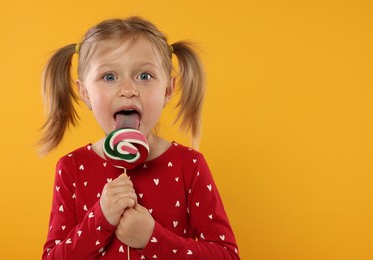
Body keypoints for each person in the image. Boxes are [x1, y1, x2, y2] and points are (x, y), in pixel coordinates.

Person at [40, 16, 240, 259]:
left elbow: (227, 255)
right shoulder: (71, 168)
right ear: (85, 92)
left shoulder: (189, 165)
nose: (128, 90)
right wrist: (100, 218)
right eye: (109, 77)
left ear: (167, 90)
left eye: (144, 76)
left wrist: (152, 238)